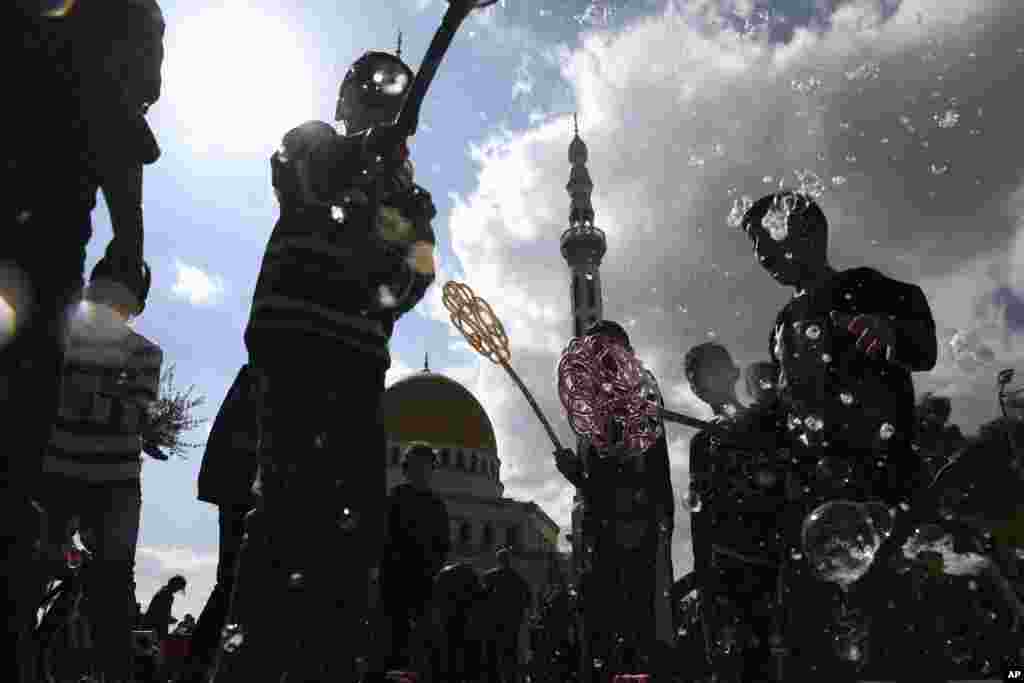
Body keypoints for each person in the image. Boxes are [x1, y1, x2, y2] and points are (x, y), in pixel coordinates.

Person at [215, 46, 437, 683]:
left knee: (355, 534)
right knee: (288, 512)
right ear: (342, 102)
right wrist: (366, 156)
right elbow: (300, 178)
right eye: (366, 96)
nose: (377, 109)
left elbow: (419, 273)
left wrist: (386, 279)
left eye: (390, 101)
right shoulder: (313, 142)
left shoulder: (408, 197)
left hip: (359, 361)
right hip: (297, 354)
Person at [7, 5, 161, 679]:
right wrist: (129, 232)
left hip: (103, 481)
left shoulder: (138, 355)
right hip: (41, 236)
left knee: (97, 578)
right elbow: (121, 117)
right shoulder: (122, 17)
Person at [739, 191, 938, 682]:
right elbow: (789, 415)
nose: (761, 256)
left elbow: (924, 347)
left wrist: (886, 332)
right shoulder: (782, 325)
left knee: (892, 634)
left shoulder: (870, 289)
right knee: (816, 645)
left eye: (767, 240)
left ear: (810, 234)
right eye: (755, 247)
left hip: (883, 491)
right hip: (814, 502)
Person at [552, 319, 675, 680]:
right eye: (593, 349)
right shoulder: (591, 412)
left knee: (635, 632)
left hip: (633, 530)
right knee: (602, 636)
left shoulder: (639, 397)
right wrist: (577, 475)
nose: (598, 357)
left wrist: (585, 479)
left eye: (606, 349)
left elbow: (632, 475)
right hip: (603, 534)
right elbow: (601, 484)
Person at [685, 344, 783, 683]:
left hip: (770, 568)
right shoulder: (701, 444)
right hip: (726, 574)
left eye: (711, 370)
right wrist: (703, 580)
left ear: (734, 372)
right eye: (694, 378)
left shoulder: (764, 422)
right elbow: (700, 520)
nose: (701, 382)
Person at [187, 365, 262, 682]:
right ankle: (199, 666)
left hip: (243, 492)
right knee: (233, 583)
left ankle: (199, 666)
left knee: (233, 583)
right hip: (246, 494)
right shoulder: (260, 380)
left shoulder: (255, 378)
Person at [378, 444, 451, 677]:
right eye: (417, 467)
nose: (422, 472)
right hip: (394, 585)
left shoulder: (437, 506)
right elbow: (383, 539)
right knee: (393, 649)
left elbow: (442, 546)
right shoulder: (395, 498)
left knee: (421, 651)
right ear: (407, 470)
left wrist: (429, 571)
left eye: (426, 467)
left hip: (423, 587)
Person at [482, 547, 532, 683]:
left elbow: (481, 599)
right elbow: (528, 600)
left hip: (492, 623)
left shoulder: (489, 577)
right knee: (509, 653)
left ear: (498, 561)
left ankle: (494, 678)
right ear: (509, 561)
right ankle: (510, 679)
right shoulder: (519, 580)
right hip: (512, 624)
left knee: (492, 654)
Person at [433, 562, 485, 683]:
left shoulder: (444, 577)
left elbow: (436, 600)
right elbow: (481, 599)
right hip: (470, 627)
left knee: (450, 659)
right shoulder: (471, 579)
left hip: (449, 625)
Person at [144, 575, 187, 640]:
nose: (178, 590)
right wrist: (169, 619)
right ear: (175, 584)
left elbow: (159, 611)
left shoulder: (162, 591)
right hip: (154, 629)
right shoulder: (167, 594)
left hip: (149, 627)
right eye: (179, 587)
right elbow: (161, 616)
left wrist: (169, 618)